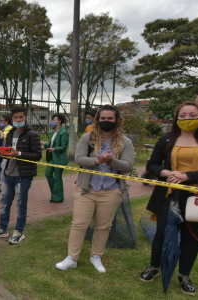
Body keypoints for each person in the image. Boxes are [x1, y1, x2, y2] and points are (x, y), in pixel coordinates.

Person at [139, 101, 198, 295]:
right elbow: (152, 165)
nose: (187, 119)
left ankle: (184, 275)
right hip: (169, 195)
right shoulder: (166, 139)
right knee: (161, 234)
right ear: (177, 118)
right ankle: (154, 266)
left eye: (192, 115)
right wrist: (165, 172)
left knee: (191, 238)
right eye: (183, 115)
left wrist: (188, 176)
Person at [56, 104, 135, 273]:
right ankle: (72, 258)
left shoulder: (125, 141)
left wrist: (111, 161)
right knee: (79, 224)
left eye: (110, 118)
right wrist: (98, 161)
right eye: (103, 118)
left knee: (103, 226)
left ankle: (96, 256)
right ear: (98, 120)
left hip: (111, 191)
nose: (106, 121)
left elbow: (128, 166)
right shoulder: (88, 138)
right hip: (87, 189)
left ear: (116, 120)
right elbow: (78, 158)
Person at [0, 106, 42, 244]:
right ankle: (2, 228)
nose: (18, 120)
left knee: (20, 205)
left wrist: (17, 153)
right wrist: (3, 153)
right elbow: (8, 152)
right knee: (4, 204)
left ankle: (19, 231)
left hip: (22, 177)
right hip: (8, 175)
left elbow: (37, 155)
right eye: (15, 118)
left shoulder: (32, 135)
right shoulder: (11, 132)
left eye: (21, 117)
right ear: (12, 119)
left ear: (26, 118)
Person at [43, 113, 69, 203]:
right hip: (52, 158)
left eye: (54, 120)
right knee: (48, 174)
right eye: (52, 120)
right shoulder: (53, 132)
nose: (52, 122)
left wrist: (54, 149)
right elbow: (50, 144)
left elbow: (63, 147)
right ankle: (56, 193)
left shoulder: (63, 132)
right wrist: (43, 144)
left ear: (59, 121)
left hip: (59, 159)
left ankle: (57, 197)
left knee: (57, 177)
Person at [0, 114, 13, 193]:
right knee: (3, 169)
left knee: (3, 168)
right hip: (3, 151)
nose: (0, 122)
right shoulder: (4, 128)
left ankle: (2, 186)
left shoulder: (9, 128)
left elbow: (3, 136)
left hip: (5, 151)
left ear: (7, 121)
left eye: (2, 120)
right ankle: (2, 186)